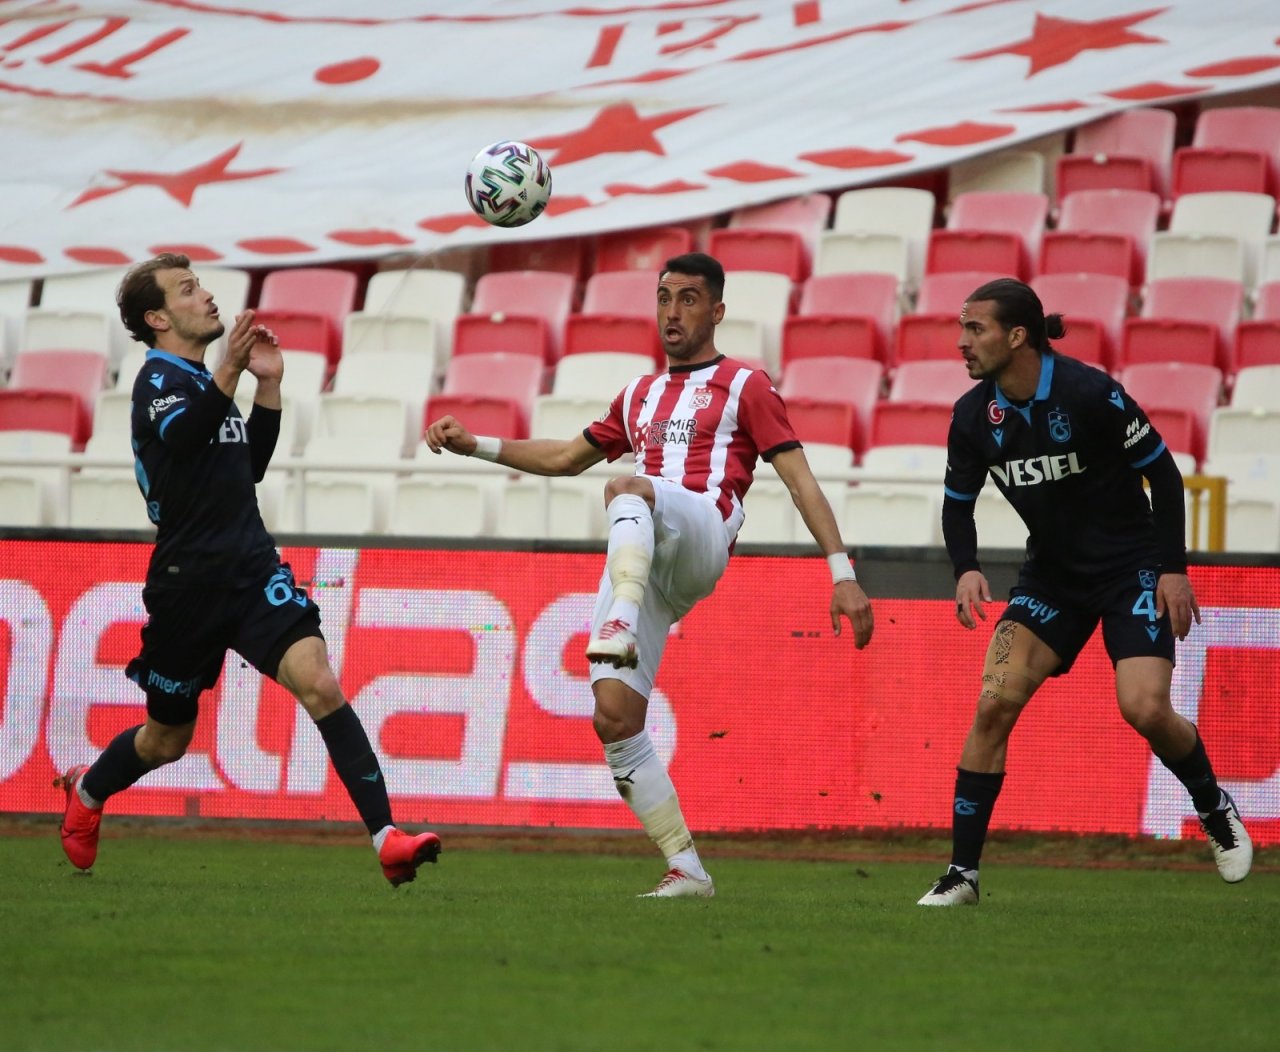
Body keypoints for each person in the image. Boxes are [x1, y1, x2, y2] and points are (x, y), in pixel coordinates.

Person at [426, 252, 874, 897]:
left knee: (631, 487)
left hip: (700, 534)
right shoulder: (638, 393)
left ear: (717, 311)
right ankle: (686, 866)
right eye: (664, 297)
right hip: (645, 552)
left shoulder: (746, 383)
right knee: (613, 716)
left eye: (689, 298)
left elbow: (800, 480)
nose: (673, 311)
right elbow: (562, 457)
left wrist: (841, 571)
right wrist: (480, 445)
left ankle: (618, 616)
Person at [54, 253, 441, 887]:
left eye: (201, 285)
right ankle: (90, 791)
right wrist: (231, 370)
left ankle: (387, 838)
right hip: (188, 584)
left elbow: (247, 467)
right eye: (188, 290)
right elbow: (182, 440)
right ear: (157, 318)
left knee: (319, 682)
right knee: (166, 740)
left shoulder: (208, 384)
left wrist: (269, 388)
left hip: (253, 568)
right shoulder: (158, 382)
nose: (207, 297)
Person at [918, 277, 1252, 906]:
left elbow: (1165, 476)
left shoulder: (1089, 392)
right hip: (1052, 579)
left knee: (1145, 709)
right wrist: (965, 567)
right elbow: (957, 507)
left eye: (974, 329)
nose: (961, 343)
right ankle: (963, 874)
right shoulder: (971, 417)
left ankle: (1212, 805)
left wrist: (1172, 569)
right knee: (994, 703)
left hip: (1131, 571)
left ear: (1017, 336)